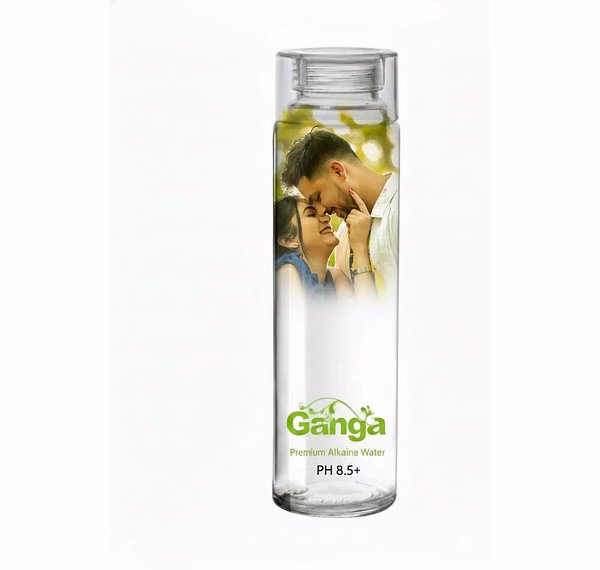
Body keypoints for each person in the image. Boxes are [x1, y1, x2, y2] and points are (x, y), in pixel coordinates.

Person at [281, 128, 398, 297]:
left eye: (318, 197)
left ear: (338, 171)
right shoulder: (344, 236)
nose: (321, 211)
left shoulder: (403, 209)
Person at [275, 194, 376, 300]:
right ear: (288, 240)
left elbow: (367, 309)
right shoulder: (287, 272)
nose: (327, 218)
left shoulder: (336, 278)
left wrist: (359, 247)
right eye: (311, 214)